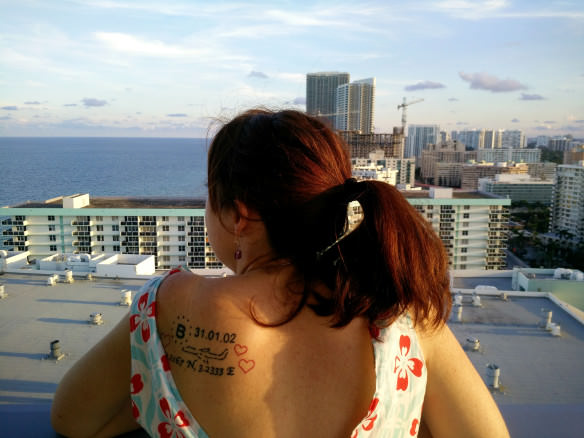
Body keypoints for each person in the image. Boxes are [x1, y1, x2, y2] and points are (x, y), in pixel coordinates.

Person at [51, 109, 510, 438]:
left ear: (237, 216)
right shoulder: (399, 315)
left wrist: (161, 398)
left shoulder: (167, 309)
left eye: (209, 196)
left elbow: (72, 419)